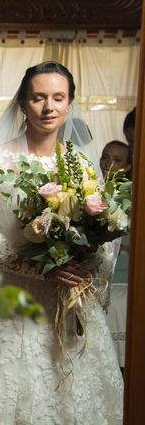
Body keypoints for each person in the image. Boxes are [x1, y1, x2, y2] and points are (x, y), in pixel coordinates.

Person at [0, 62, 123, 425]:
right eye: (38, 97)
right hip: (15, 303)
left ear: (70, 104)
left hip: (70, 304)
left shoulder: (82, 164)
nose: (48, 107)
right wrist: (40, 267)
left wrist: (84, 263)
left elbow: (105, 231)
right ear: (23, 103)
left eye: (58, 98)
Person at [100, 140, 132, 371]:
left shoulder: (131, 196)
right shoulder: (89, 188)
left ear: (128, 167)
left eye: (117, 160)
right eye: (105, 156)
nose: (108, 163)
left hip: (122, 277)